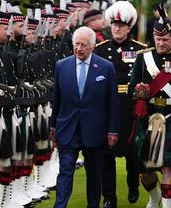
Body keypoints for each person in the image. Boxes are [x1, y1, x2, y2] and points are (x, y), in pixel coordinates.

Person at [129, 1, 171, 208]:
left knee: (168, 167)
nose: (161, 43)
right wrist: (139, 91)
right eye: (158, 39)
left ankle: (166, 205)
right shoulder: (143, 58)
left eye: (165, 39)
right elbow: (131, 89)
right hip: (148, 116)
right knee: (144, 169)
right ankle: (154, 197)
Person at [51, 26, 118, 208]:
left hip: (95, 131)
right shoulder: (61, 66)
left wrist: (113, 130)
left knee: (94, 175)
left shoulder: (106, 67)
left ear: (93, 46)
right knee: (65, 171)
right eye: (76, 44)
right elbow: (56, 99)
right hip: (68, 128)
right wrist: (53, 126)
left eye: (83, 45)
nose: (79, 49)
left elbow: (112, 103)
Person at [94, 0, 146, 208]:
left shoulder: (140, 50)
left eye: (122, 26)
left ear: (129, 27)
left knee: (132, 152)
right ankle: (109, 197)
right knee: (107, 154)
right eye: (114, 25)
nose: (117, 29)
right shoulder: (100, 49)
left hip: (130, 107)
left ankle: (133, 184)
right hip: (108, 107)